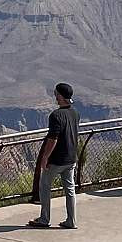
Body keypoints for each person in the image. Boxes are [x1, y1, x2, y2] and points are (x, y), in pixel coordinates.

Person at [28, 83, 81, 229]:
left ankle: (44, 219)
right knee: (70, 189)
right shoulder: (75, 113)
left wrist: (45, 157)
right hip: (71, 158)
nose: (55, 96)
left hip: (56, 160)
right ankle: (72, 220)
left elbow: (53, 139)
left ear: (61, 96)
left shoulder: (56, 115)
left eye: (56, 93)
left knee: (44, 187)